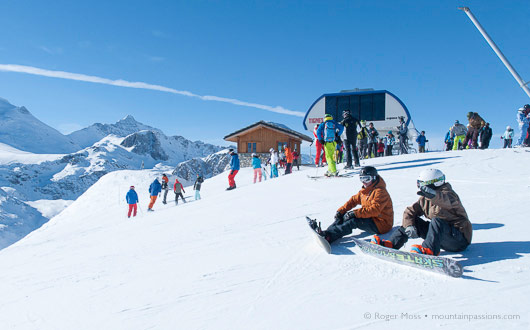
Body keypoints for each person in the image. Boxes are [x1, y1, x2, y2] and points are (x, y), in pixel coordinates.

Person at [372, 169, 472, 256]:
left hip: (459, 240)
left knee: (437, 221)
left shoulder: (450, 195)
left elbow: (447, 201)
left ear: (432, 183)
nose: (419, 187)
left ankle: (429, 250)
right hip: (442, 238)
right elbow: (410, 211)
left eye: (422, 184)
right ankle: (391, 244)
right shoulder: (425, 199)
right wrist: (409, 225)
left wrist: (434, 195)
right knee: (412, 220)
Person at [309, 166, 393, 243]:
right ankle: (327, 233)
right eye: (362, 179)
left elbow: (374, 210)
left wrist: (354, 213)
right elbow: (353, 201)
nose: (364, 182)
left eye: (367, 179)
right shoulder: (365, 190)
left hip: (382, 224)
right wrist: (341, 211)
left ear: (374, 178)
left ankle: (329, 237)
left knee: (353, 221)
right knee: (344, 216)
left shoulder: (380, 192)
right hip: (371, 218)